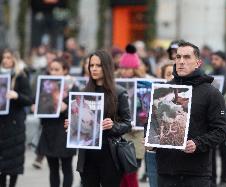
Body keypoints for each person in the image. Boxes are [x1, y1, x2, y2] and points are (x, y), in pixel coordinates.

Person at [155, 41, 226, 187]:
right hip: (166, 172)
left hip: (196, 174)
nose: (181, 61)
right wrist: (149, 139)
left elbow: (220, 131)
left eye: (187, 57)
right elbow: (153, 124)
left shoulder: (211, 93)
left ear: (198, 63)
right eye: (178, 57)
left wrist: (197, 143)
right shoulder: (163, 90)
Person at [75, 50, 132, 187]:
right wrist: (72, 124)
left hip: (110, 154)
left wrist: (113, 126)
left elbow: (127, 123)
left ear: (106, 67)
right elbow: (79, 122)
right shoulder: (83, 93)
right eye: (91, 65)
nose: (94, 69)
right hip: (88, 154)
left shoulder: (119, 92)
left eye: (98, 65)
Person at [36, 58, 78, 187]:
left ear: (65, 70)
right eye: (51, 69)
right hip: (49, 131)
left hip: (65, 132)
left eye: (57, 69)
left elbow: (78, 111)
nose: (53, 72)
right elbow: (37, 101)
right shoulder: (45, 85)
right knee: (52, 168)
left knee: (66, 167)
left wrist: (67, 108)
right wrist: (36, 106)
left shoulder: (73, 86)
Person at [0, 49, 33, 187]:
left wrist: (17, 96)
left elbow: (29, 99)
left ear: (14, 59)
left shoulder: (21, 76)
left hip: (15, 124)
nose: (5, 60)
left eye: (8, 57)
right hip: (1, 123)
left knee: (13, 162)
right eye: (3, 57)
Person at [116, 44, 146, 187]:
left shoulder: (143, 84)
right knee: (120, 172)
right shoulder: (115, 83)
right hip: (119, 132)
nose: (125, 71)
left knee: (132, 171)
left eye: (128, 68)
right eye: (123, 68)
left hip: (136, 134)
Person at [210, 51, 226, 187]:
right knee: (212, 150)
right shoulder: (209, 75)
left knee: (224, 150)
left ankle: (224, 178)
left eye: (217, 59)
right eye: (212, 59)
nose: (214, 61)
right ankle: (212, 179)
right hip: (212, 118)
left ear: (223, 60)